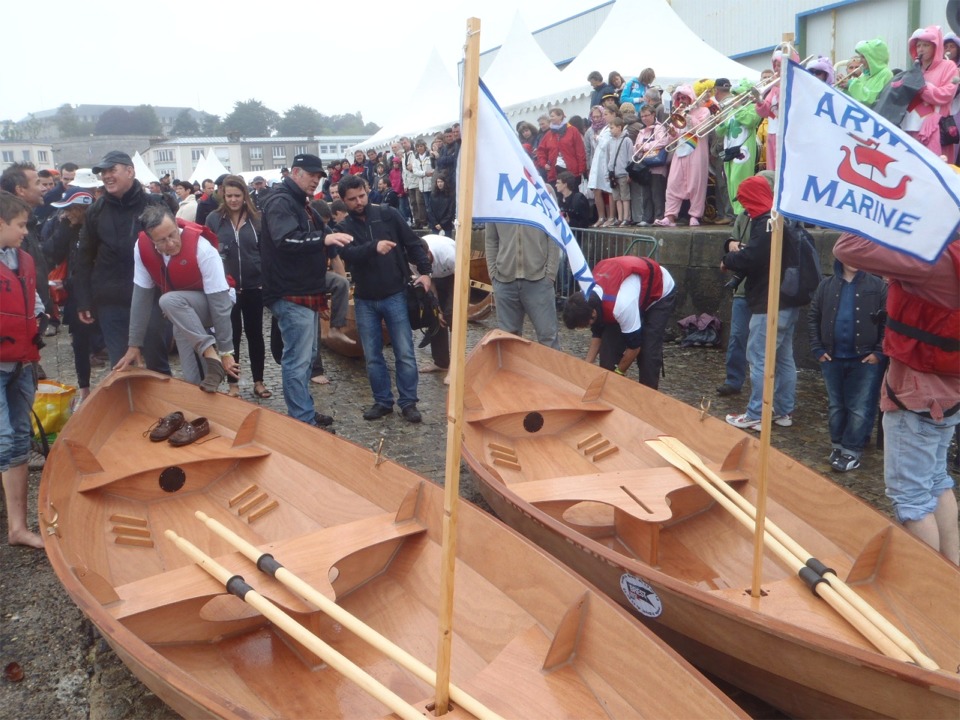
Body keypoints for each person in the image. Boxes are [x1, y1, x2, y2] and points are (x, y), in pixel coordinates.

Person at [834, 231, 959, 564]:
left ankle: (926, 590)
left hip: (916, 396)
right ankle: (951, 573)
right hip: (950, 391)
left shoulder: (932, 256)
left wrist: (886, 211)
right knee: (936, 480)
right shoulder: (948, 256)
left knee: (912, 499)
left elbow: (847, 248)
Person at [260, 154, 352, 429]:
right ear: (295, 172)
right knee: (298, 360)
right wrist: (323, 238)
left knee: (307, 357)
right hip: (289, 292)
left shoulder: (302, 204)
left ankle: (305, 411)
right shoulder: (280, 202)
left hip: (304, 290)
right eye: (312, 174)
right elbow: (285, 239)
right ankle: (302, 419)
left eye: (319, 176)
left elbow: (327, 233)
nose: (316, 180)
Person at [337, 174, 432, 423]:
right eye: (352, 199)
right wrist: (374, 247)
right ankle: (382, 401)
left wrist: (425, 273)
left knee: (404, 352)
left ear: (367, 191)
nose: (359, 202)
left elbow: (412, 243)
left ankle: (409, 402)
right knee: (372, 355)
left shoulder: (388, 214)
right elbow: (348, 254)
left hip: (395, 293)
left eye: (362, 195)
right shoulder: (344, 227)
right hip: (366, 298)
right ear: (343, 200)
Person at [113, 205, 237, 392]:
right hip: (182, 311)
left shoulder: (202, 248)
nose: (170, 244)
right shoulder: (141, 248)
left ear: (176, 225)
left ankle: (212, 356)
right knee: (192, 377)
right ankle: (203, 399)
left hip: (215, 303)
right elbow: (141, 299)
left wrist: (226, 351)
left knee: (168, 301)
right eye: (162, 240)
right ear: (150, 238)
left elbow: (220, 305)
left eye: (172, 235)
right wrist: (134, 344)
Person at [73, 151, 171, 373]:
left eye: (111, 170)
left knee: (157, 363)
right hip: (111, 300)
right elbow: (84, 257)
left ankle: (164, 408)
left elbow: (172, 250)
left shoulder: (154, 204)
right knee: (121, 366)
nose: (106, 176)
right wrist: (83, 301)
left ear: (130, 171)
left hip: (150, 297)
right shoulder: (96, 210)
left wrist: (171, 292)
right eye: (103, 172)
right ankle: (131, 407)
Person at [721, 175, 801, 431]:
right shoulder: (780, 219)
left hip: (770, 301)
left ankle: (756, 412)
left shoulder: (767, 222)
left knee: (758, 356)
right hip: (789, 299)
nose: (743, 205)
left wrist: (729, 260)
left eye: (744, 199)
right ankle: (783, 410)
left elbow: (754, 257)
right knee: (784, 358)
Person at [807, 256, 887, 472]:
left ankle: (852, 450)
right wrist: (818, 349)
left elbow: (887, 322)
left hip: (865, 358)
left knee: (859, 407)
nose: (853, 260)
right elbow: (814, 316)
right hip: (832, 357)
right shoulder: (826, 285)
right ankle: (837, 445)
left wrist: (878, 353)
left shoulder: (878, 286)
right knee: (836, 405)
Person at [0, 193, 45, 548]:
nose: (25, 232)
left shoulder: (23, 261)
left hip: (19, 364)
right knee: (2, 441)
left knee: (17, 440)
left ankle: (18, 528)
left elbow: (35, 301)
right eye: (20, 225)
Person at [562, 255, 676, 390]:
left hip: (659, 293)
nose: (587, 327)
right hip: (630, 293)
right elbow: (598, 333)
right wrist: (587, 365)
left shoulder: (621, 306)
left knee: (648, 352)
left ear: (593, 314)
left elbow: (634, 348)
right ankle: (608, 391)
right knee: (608, 349)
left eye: (585, 325)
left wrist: (617, 374)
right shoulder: (587, 295)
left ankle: (647, 396)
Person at [204, 175, 271, 400]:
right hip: (226, 289)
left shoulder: (257, 219)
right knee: (230, 338)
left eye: (237, 196)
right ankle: (233, 384)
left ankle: (258, 381)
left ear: (245, 196)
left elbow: (265, 251)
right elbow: (207, 252)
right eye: (229, 195)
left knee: (255, 335)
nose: (233, 200)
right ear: (223, 195)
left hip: (254, 285)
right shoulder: (214, 219)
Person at [42, 187, 100, 404]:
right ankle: (84, 391)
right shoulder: (69, 228)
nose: (65, 214)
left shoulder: (99, 230)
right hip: (77, 295)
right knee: (79, 344)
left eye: (69, 210)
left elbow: (95, 269)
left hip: (101, 296)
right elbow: (51, 251)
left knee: (111, 342)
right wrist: (65, 227)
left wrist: (66, 282)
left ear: (82, 209)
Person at [484, 223, 560, 349]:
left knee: (548, 338)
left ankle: (550, 369)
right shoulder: (495, 203)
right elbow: (491, 239)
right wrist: (493, 273)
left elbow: (553, 235)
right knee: (508, 342)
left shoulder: (545, 201)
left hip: (539, 279)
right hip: (504, 279)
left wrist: (550, 274)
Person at [655, 86, 711, 227]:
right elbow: (673, 139)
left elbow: (703, 129)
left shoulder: (704, 111)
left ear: (691, 97)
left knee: (696, 184)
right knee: (673, 183)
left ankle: (695, 216)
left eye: (684, 97)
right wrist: (672, 132)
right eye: (678, 98)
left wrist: (688, 117)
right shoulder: (677, 113)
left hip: (697, 152)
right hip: (680, 153)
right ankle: (670, 216)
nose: (681, 101)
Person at [902, 26, 960, 159]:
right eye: (918, 45)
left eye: (926, 45)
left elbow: (947, 94)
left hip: (935, 130)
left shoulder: (949, 66)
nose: (921, 49)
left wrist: (923, 88)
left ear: (936, 46)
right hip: (912, 127)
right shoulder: (916, 69)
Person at [417, 234, 455, 382]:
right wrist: (437, 308)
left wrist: (449, 308)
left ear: (428, 253)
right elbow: (429, 283)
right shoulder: (414, 261)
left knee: (452, 316)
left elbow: (463, 278)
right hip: (434, 278)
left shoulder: (448, 255)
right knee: (434, 316)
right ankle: (441, 362)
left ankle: (455, 366)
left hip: (455, 273)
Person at [535, 107, 587, 187]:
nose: (550, 118)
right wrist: (544, 164)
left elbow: (580, 151)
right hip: (554, 172)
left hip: (572, 171)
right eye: (550, 116)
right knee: (559, 196)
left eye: (552, 116)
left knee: (573, 194)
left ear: (560, 116)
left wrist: (581, 169)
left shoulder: (573, 131)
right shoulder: (549, 134)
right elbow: (540, 151)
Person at [584, 105, 613, 227]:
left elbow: (607, 144)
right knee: (596, 189)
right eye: (593, 117)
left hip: (606, 161)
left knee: (608, 189)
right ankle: (601, 217)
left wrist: (598, 138)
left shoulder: (609, 128)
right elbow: (588, 150)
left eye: (598, 116)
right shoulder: (590, 131)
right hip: (595, 162)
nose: (596, 119)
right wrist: (588, 166)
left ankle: (611, 216)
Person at [606, 117, 633, 226]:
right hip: (613, 173)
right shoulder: (610, 142)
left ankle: (627, 217)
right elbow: (608, 158)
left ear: (619, 127)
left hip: (623, 173)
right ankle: (620, 217)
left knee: (625, 196)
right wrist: (608, 172)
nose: (610, 130)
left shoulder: (627, 140)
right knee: (617, 197)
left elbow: (630, 157)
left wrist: (629, 173)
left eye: (612, 128)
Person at [428, 171, 455, 236]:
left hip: (446, 226)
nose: (439, 184)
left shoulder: (450, 195)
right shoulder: (433, 195)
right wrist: (435, 223)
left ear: (445, 183)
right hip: (435, 226)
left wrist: (442, 224)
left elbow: (450, 212)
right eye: (438, 182)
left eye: (441, 182)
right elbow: (430, 210)